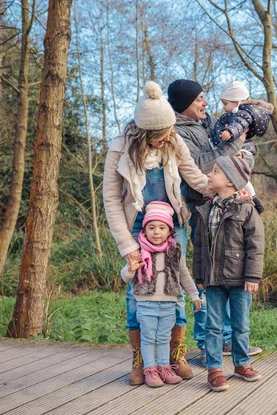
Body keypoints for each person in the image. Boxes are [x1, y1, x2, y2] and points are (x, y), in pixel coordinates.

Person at [103, 81, 211, 386]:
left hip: (172, 223)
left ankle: (174, 354)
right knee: (136, 293)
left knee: (174, 286)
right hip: (137, 225)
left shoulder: (174, 140)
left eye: (169, 132)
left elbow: (195, 176)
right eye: (161, 135)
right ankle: (140, 359)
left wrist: (225, 189)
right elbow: (111, 199)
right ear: (145, 134)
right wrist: (127, 246)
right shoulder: (121, 147)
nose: (168, 138)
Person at [167, 79, 262, 365]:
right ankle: (210, 343)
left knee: (229, 276)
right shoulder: (178, 134)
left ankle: (232, 342)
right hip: (202, 210)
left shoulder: (207, 123)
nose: (206, 103)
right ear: (185, 103)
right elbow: (204, 166)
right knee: (208, 278)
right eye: (199, 98)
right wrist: (235, 142)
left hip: (226, 206)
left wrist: (245, 150)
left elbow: (239, 156)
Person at [193, 156, 265, 392]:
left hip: (239, 280)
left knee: (240, 324)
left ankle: (242, 363)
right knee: (213, 325)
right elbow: (200, 248)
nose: (209, 175)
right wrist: (199, 277)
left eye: (215, 171)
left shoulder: (246, 210)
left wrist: (253, 277)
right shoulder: (206, 209)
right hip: (213, 280)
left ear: (231, 182)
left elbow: (255, 246)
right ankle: (214, 369)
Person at [121, 202, 202, 388]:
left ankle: (164, 367)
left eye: (161, 227)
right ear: (145, 229)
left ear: (169, 231)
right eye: (151, 227)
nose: (156, 232)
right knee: (148, 337)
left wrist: (194, 295)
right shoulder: (138, 252)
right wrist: (130, 270)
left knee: (164, 337)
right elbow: (125, 277)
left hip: (168, 304)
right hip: (146, 304)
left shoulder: (174, 251)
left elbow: (184, 275)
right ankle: (150, 369)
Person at [210, 80, 273, 214]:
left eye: (225, 103)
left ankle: (254, 200)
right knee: (236, 180)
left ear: (236, 102)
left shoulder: (241, 114)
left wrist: (230, 132)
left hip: (241, 149)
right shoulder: (235, 113)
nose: (223, 107)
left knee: (240, 180)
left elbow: (239, 124)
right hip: (237, 149)